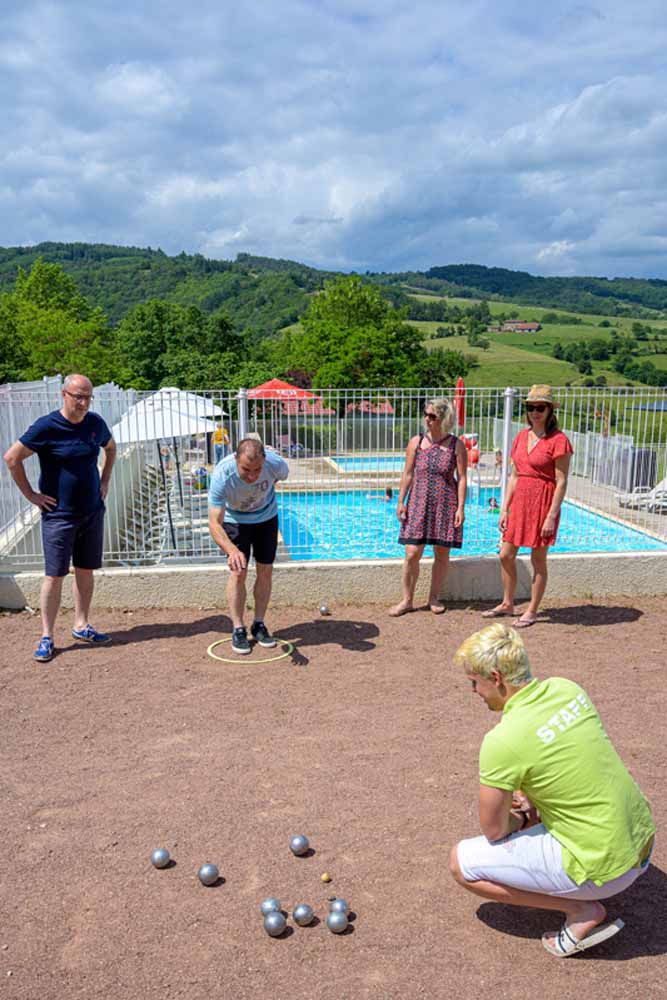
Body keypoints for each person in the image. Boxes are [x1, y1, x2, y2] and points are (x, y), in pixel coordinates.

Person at [450, 623, 655, 958]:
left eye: (475, 682)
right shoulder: (567, 689)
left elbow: (494, 829)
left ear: (497, 678)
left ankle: (581, 911)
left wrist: (525, 817)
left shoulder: (501, 740)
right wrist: (534, 798)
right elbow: (572, 760)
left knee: (461, 863)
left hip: (607, 870)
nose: (474, 690)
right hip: (643, 841)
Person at [3, 374, 116, 662]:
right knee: (54, 575)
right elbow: (12, 458)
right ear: (64, 394)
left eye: (87, 397)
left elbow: (111, 448)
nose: (83, 402)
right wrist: (31, 495)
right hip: (59, 516)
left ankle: (81, 624)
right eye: (78, 396)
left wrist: (105, 481)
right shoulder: (47, 426)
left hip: (91, 511)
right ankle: (47, 636)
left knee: (85, 570)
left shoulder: (95, 424)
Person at [483, 385, 573, 628]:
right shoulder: (521, 437)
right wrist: (504, 509)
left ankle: (532, 610)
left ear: (550, 410)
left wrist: (552, 516)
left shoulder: (559, 440)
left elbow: (561, 481)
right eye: (531, 407)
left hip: (543, 504)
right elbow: (514, 476)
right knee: (505, 554)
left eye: (540, 407)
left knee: (538, 559)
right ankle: (508, 603)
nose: (535, 412)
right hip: (520, 502)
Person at [207, 438, 289, 654]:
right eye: (246, 469)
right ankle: (238, 628)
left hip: (266, 519)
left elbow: (278, 478)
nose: (252, 476)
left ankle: (259, 624)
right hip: (235, 521)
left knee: (265, 571)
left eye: (257, 469)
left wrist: (260, 496)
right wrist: (232, 550)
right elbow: (214, 522)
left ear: (264, 460)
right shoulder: (222, 474)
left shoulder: (275, 464)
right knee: (238, 572)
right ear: (236, 460)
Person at [389, 397, 467, 616]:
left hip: (445, 504)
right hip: (418, 503)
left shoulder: (456, 445)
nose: (427, 419)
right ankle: (407, 600)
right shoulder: (416, 442)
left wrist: (461, 507)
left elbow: (462, 478)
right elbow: (408, 473)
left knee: (441, 554)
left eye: (432, 415)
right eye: (426, 414)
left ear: (443, 418)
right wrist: (400, 501)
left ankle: (434, 597)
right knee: (412, 553)